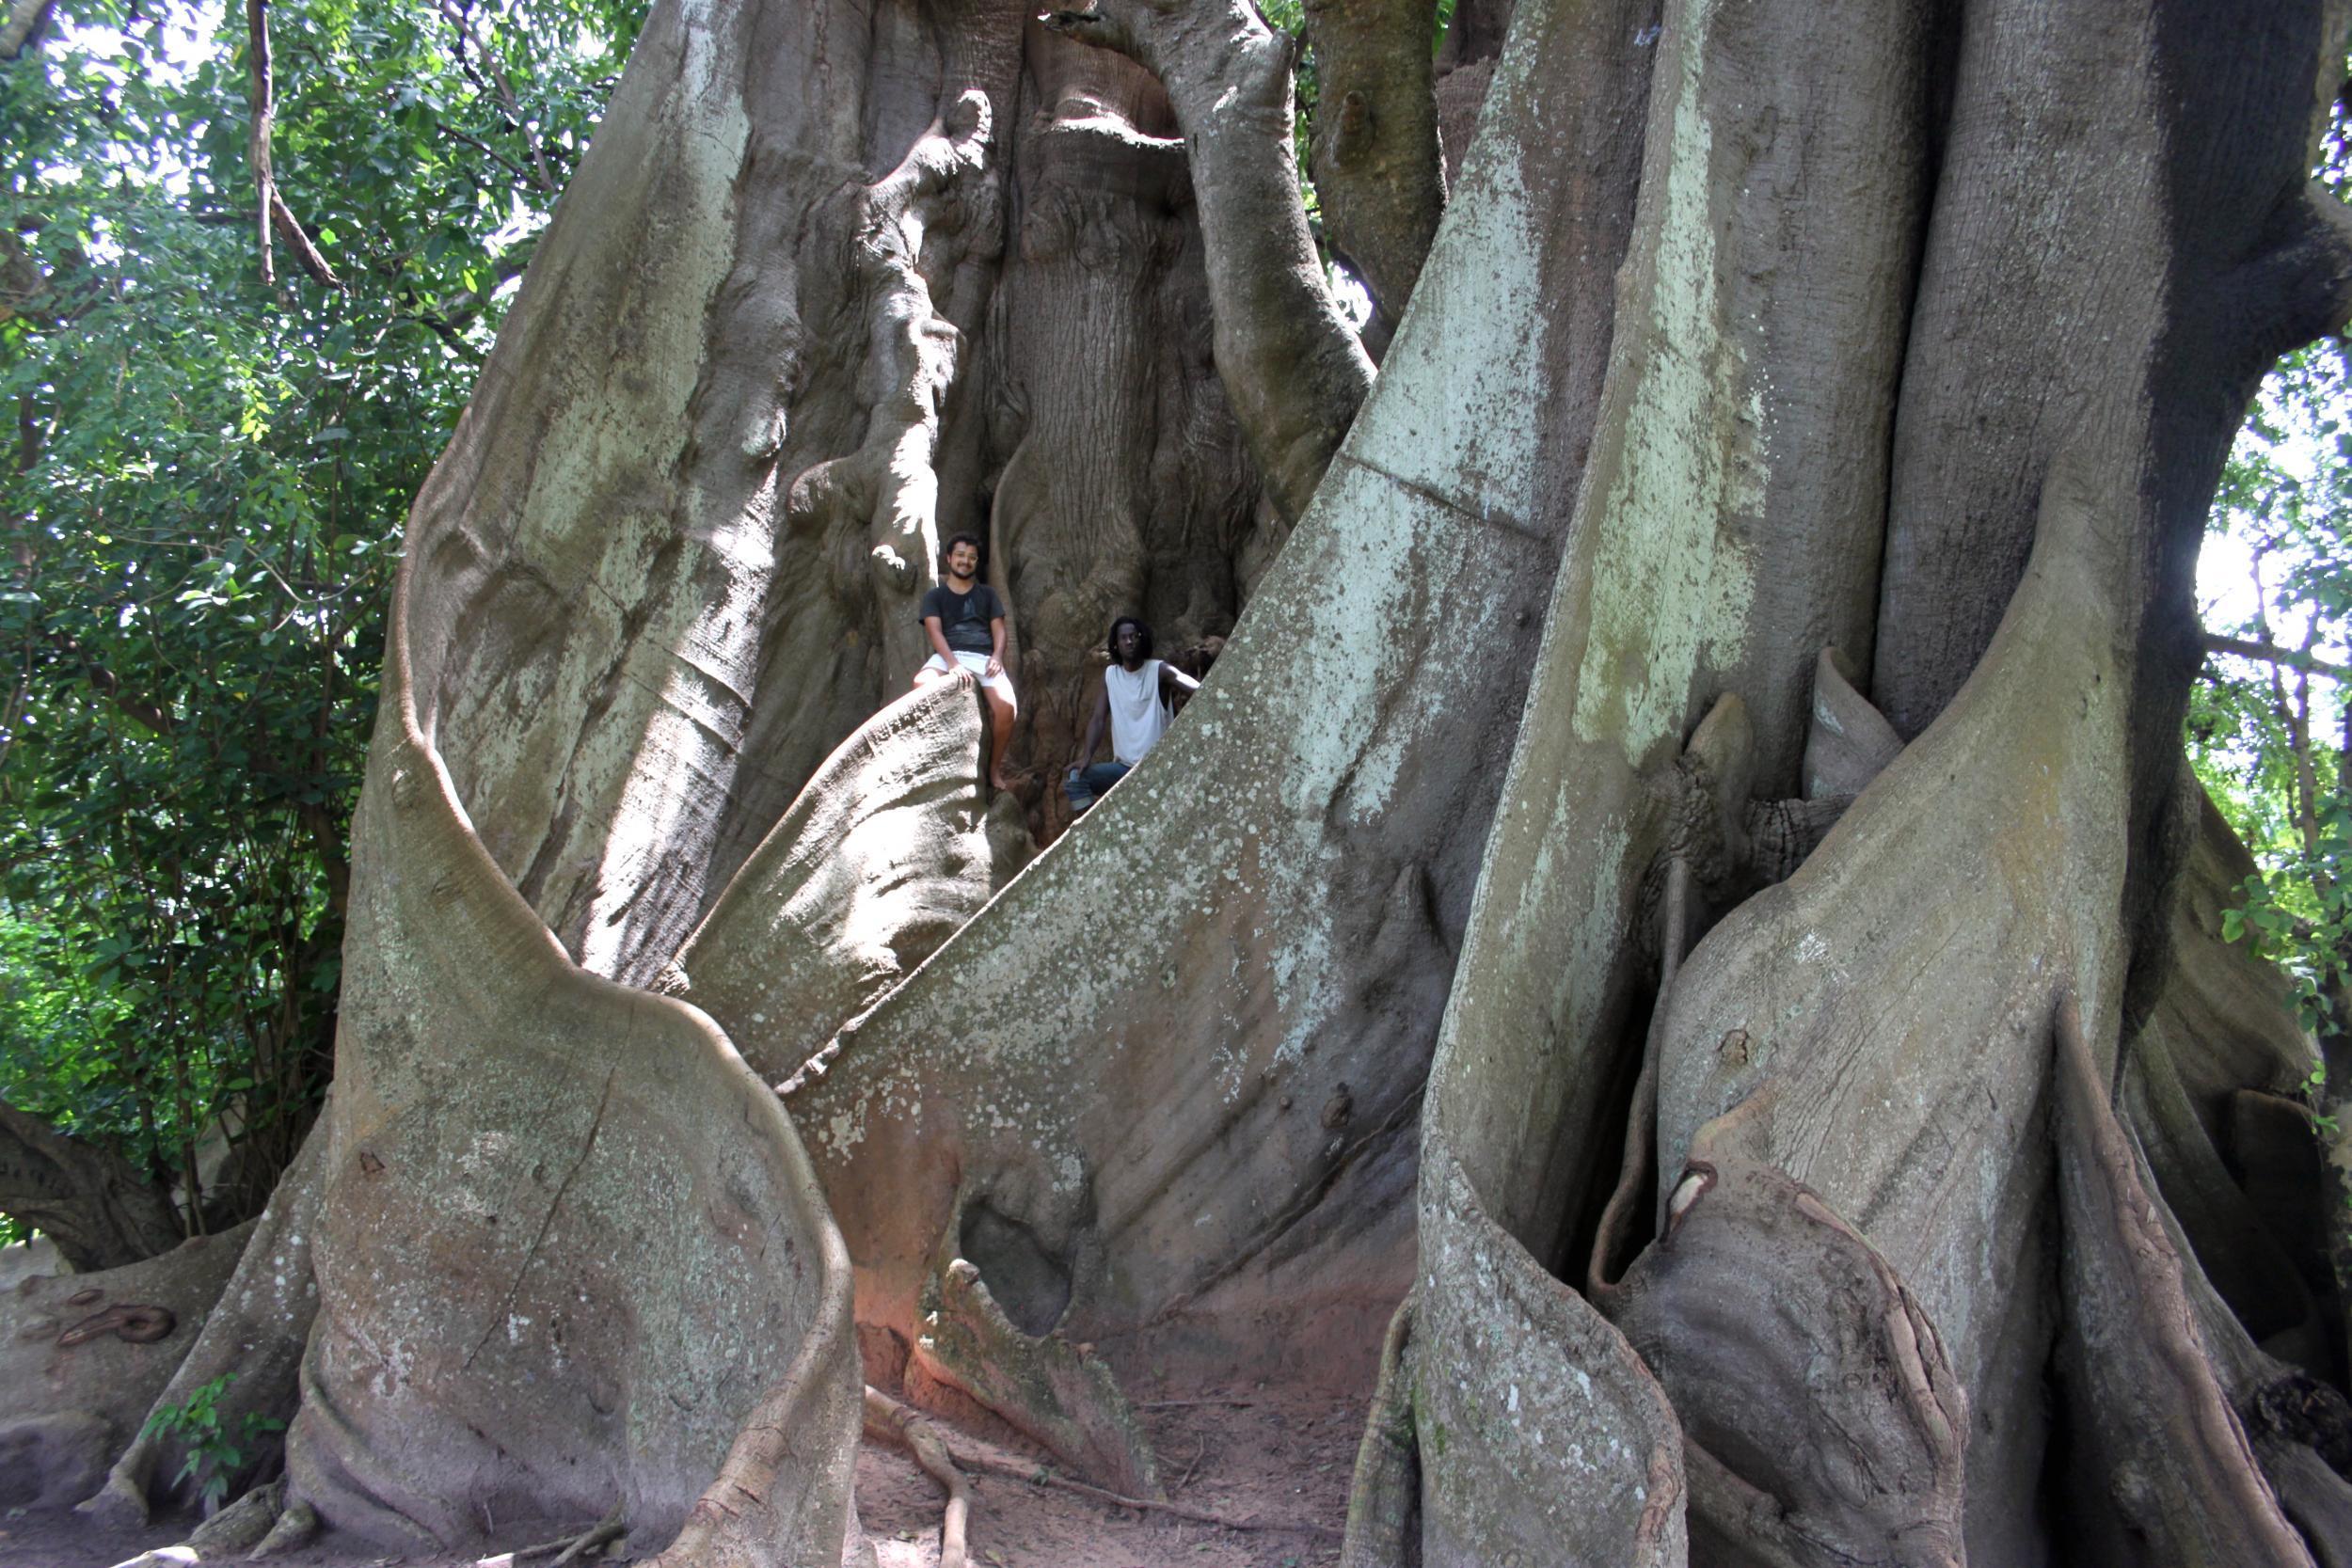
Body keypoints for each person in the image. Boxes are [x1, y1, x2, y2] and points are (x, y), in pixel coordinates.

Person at [913, 532, 1016, 790]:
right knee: (920, 684)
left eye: (971, 558)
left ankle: (993, 770)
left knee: (1007, 707)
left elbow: (1000, 630)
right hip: (949, 654)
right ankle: (933, 754)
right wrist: (952, 664)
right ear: (949, 558)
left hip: (982, 657)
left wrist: (996, 657)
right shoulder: (935, 596)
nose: (965, 561)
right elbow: (934, 632)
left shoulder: (988, 595)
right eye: (960, 555)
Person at [1065, 615, 1199, 813]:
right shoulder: (1111, 675)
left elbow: (1200, 690)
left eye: (1133, 636)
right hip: (1124, 770)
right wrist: (1086, 757)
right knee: (1076, 779)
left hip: (1158, 769)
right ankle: (1096, 831)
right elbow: (1098, 719)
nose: (1129, 641)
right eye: (1123, 638)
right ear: (1116, 644)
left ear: (1141, 639)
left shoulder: (1159, 670)